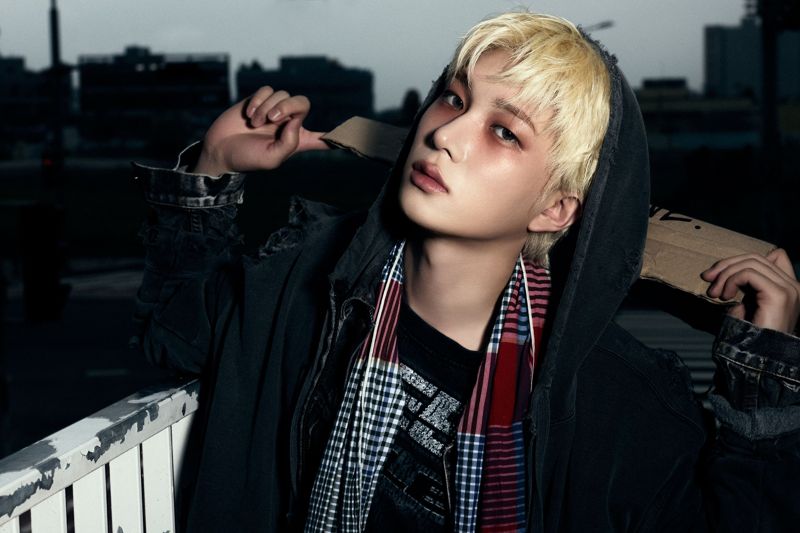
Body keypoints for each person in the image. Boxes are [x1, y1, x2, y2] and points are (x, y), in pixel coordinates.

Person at [132, 11, 800, 532]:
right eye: (454, 99)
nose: (444, 135)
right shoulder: (303, 281)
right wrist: (213, 166)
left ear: (555, 207)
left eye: (504, 131)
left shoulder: (619, 404)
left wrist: (762, 393)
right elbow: (176, 334)